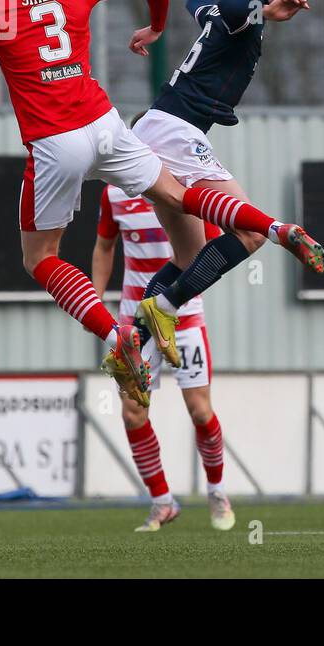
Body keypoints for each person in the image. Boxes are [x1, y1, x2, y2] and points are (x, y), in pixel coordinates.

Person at [0, 0, 318, 408]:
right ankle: (271, 229)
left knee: (40, 258)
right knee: (182, 197)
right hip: (107, 125)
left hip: (55, 141)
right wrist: (157, 26)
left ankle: (118, 338)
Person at [127, 0, 324, 364]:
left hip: (159, 128)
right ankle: (166, 307)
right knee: (250, 234)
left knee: (188, 258)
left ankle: (132, 345)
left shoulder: (219, 12)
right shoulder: (240, 12)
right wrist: (266, 8)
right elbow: (239, 6)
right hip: (176, 132)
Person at [93, 152, 233, 532]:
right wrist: (96, 305)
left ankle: (217, 491)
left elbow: (213, 251)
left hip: (183, 319)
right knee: (133, 413)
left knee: (200, 411)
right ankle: (161, 502)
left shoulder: (185, 191)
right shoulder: (113, 194)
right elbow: (104, 248)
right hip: (133, 324)